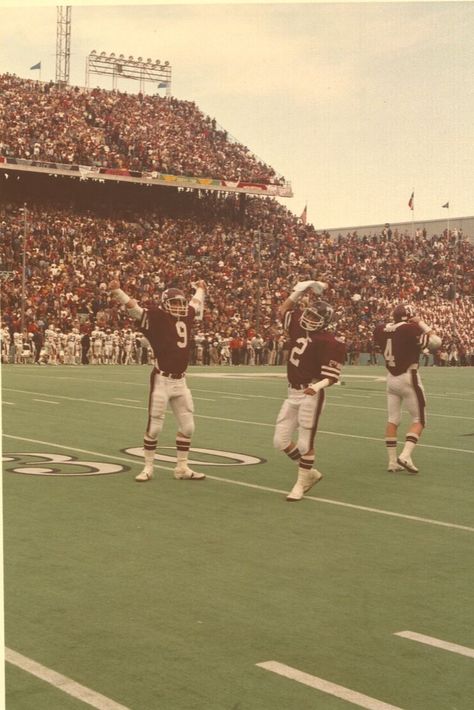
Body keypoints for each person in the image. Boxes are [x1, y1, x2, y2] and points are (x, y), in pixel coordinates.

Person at [109, 278, 207, 482]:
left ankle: (182, 468)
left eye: (181, 303)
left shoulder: (187, 315)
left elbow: (196, 303)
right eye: (175, 303)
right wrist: (118, 292)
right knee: (155, 428)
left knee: (188, 427)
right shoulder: (156, 317)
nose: (179, 307)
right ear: (165, 304)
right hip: (162, 379)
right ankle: (148, 467)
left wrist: (199, 289)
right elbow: (135, 309)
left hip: (181, 381)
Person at [273, 280, 346, 501]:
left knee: (305, 443)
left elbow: (332, 377)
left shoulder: (330, 341)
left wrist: (317, 386)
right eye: (310, 315)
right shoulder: (298, 324)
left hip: (310, 394)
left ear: (325, 322)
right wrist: (298, 290)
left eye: (315, 318)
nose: (309, 319)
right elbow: (283, 310)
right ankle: (310, 473)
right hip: (292, 392)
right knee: (280, 441)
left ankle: (300, 483)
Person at [374, 303, 441, 474]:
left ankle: (391, 462)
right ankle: (405, 455)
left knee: (393, 419)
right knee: (419, 419)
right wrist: (421, 323)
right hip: (408, 376)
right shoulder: (410, 329)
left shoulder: (380, 329)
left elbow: (391, 334)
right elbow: (435, 342)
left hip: (391, 378)